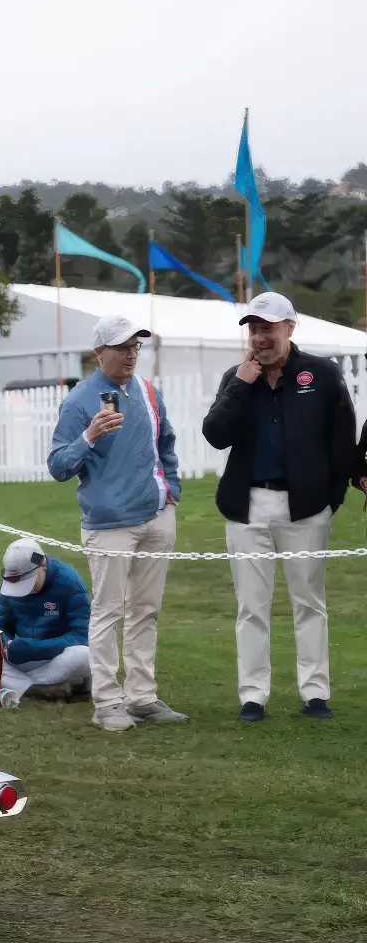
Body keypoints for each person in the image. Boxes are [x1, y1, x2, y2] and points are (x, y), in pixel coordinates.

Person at [201, 291, 360, 722]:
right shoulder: (237, 378)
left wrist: (329, 501)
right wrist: (241, 385)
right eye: (254, 329)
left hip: (305, 508)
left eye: (268, 329)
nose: (260, 338)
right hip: (247, 507)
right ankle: (253, 696)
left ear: (290, 328)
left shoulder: (321, 374)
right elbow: (215, 434)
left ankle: (316, 693)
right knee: (251, 607)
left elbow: (342, 442)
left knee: (309, 602)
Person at [47, 314, 186, 732]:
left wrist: (171, 489)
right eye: (122, 347)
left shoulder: (149, 392)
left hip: (157, 517)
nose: (130, 354)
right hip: (109, 525)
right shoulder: (79, 401)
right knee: (108, 612)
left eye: (135, 346)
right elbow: (58, 466)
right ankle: (107, 702)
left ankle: (142, 697)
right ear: (99, 352)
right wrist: (88, 437)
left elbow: (166, 444)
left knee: (146, 611)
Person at [0, 537, 92, 707]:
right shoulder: (9, 583)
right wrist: (6, 646)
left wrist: (34, 648)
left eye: (29, 581)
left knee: (85, 656)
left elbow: (81, 636)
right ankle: (39, 688)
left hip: (56, 657)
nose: (25, 590)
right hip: (19, 656)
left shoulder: (69, 582)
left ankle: (20, 685)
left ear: (43, 564)